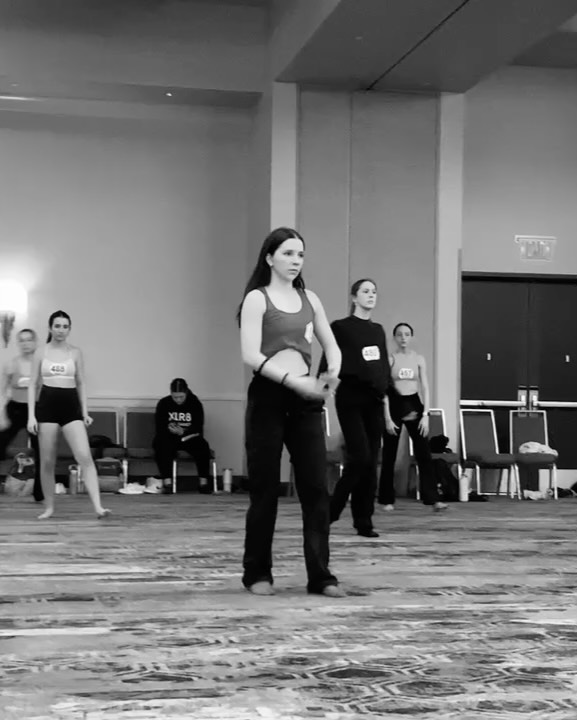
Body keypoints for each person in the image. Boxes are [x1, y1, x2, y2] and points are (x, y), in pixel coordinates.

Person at [238, 227, 345, 598]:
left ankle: (321, 576)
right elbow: (251, 355)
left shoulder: (310, 299)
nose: (295, 260)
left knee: (315, 488)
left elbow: (332, 345)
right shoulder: (257, 299)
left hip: (306, 401)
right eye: (287, 253)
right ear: (269, 258)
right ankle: (257, 573)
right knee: (265, 489)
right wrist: (292, 381)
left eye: (300, 254)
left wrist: (332, 373)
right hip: (269, 398)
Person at [320, 279, 391, 538]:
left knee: (370, 463)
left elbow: (382, 367)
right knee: (359, 457)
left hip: (374, 401)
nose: (371, 295)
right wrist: (320, 391)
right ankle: (330, 511)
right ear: (353, 297)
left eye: (374, 292)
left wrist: (388, 398)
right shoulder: (341, 327)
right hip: (350, 398)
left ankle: (364, 521)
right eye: (365, 291)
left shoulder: (378, 330)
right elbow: (329, 359)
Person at [27, 310, 110, 520]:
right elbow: (32, 384)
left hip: (70, 408)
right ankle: (49, 508)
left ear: (69, 329)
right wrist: (31, 416)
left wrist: (85, 412)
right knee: (47, 461)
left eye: (65, 326)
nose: (61, 330)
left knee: (84, 456)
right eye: (57, 326)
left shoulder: (76, 352)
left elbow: (81, 383)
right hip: (47, 408)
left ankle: (98, 507)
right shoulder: (41, 352)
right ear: (50, 328)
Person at [378, 322, 447, 512]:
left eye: (407, 334)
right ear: (394, 338)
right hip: (394, 403)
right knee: (390, 453)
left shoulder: (419, 359)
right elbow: (384, 390)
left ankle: (432, 498)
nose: (403, 338)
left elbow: (425, 387)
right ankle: (386, 499)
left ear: (411, 337)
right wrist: (387, 417)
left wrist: (426, 414)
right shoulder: (390, 359)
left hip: (414, 403)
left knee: (423, 452)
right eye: (399, 334)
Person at [0, 329, 43, 502]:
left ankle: (39, 493)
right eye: (22, 340)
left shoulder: (41, 364)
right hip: (15, 409)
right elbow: (2, 391)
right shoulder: (12, 364)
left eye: (29, 340)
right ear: (18, 343)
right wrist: (2, 415)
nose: (26, 344)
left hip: (36, 411)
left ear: (35, 342)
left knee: (41, 451)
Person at [153, 378, 212, 494]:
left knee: (203, 446)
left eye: (181, 397)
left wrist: (184, 432)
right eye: (175, 397)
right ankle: (167, 482)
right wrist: (170, 429)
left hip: (190, 437)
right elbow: (159, 426)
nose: (178, 400)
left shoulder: (195, 403)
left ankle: (203, 482)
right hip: (169, 437)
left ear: (186, 393)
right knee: (160, 444)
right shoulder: (164, 403)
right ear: (171, 394)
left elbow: (198, 426)